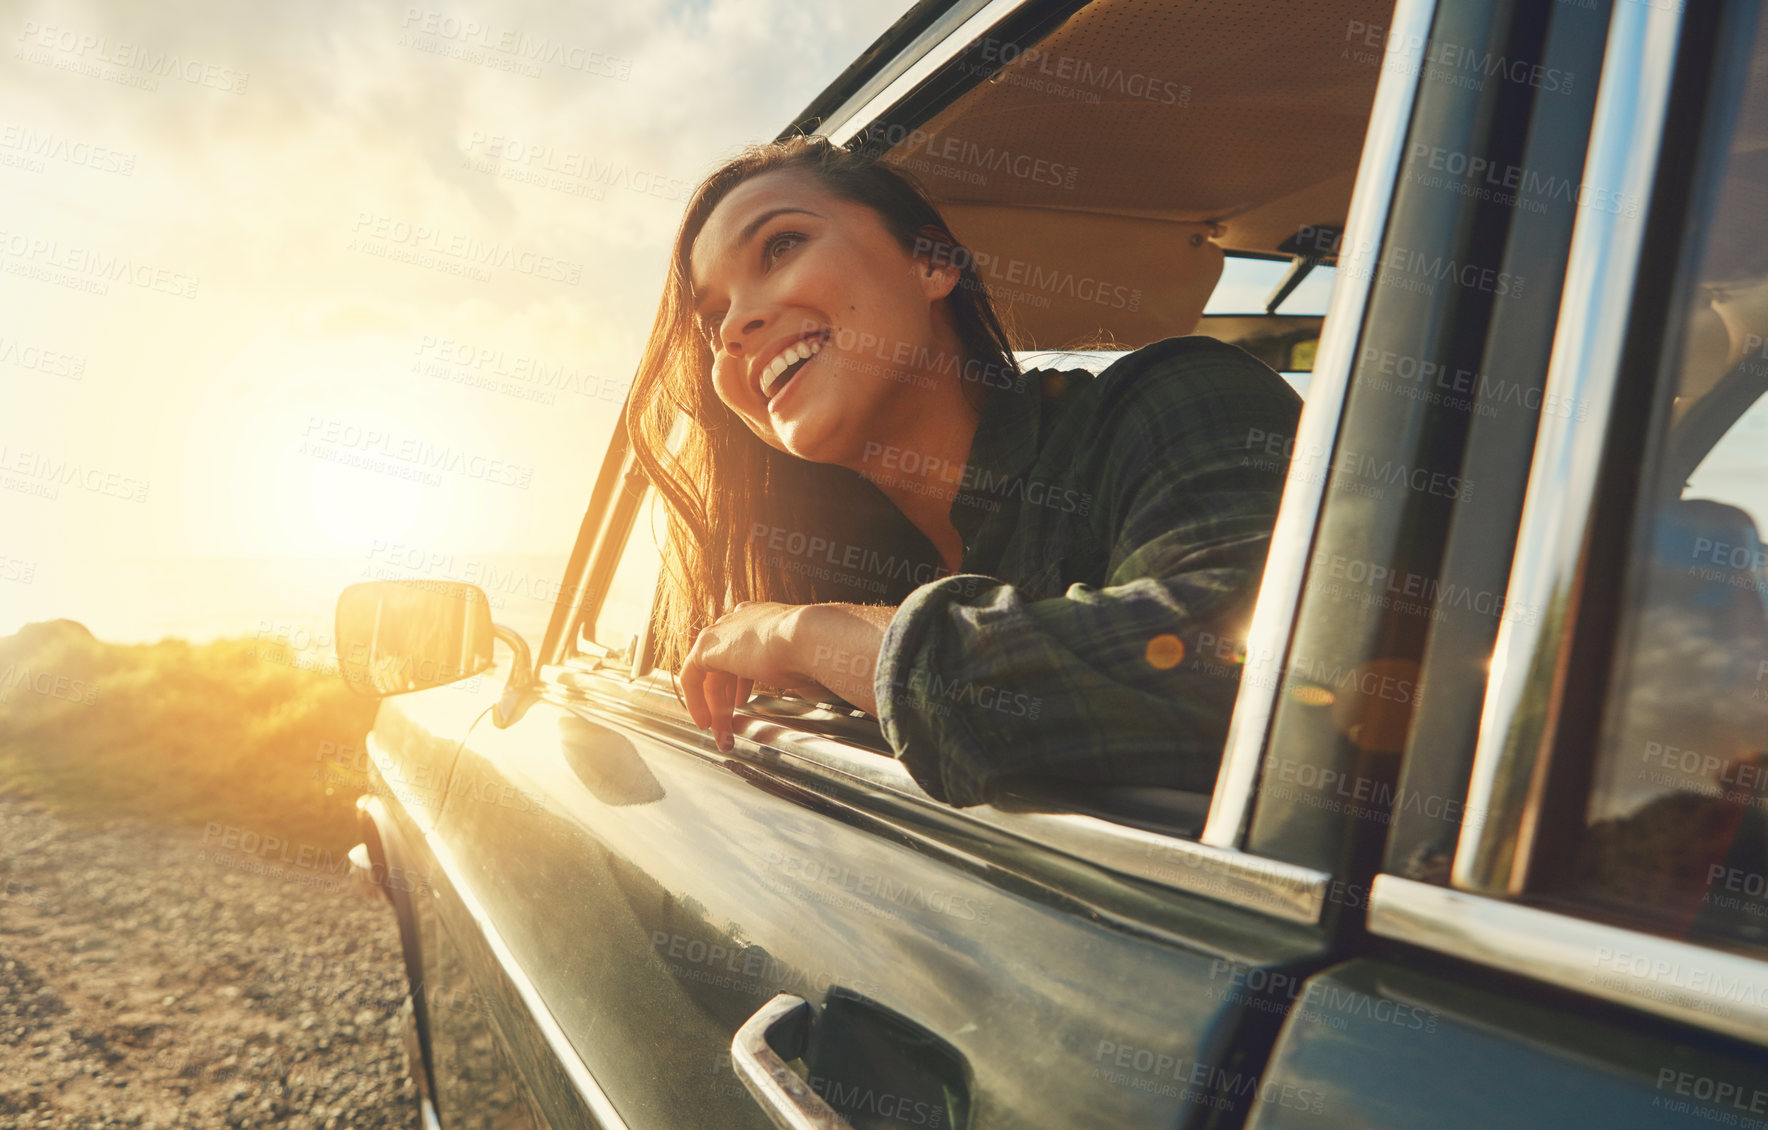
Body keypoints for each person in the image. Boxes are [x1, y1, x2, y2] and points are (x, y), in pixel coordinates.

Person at [622, 134, 1301, 807]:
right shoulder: (818, 563)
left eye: (780, 246)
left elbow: (1264, 692)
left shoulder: (1179, 400)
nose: (736, 324)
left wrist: (803, 634)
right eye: (713, 320)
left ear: (933, 264)